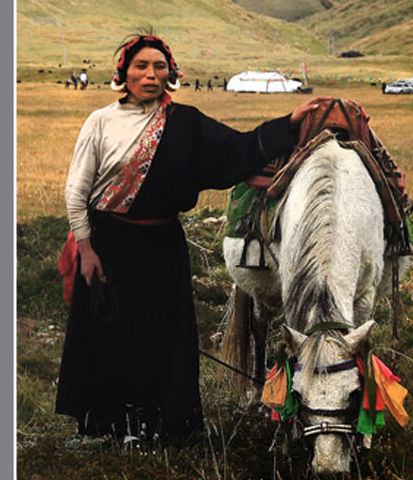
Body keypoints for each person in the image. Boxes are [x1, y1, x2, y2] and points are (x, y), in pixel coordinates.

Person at [55, 33, 317, 441]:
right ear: (123, 73)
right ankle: (113, 423)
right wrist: (86, 249)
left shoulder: (187, 124)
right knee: (112, 334)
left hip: (162, 249)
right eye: (141, 66)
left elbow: (239, 149)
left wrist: (290, 124)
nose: (151, 74)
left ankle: (161, 422)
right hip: (109, 246)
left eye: (159, 67)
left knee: (162, 335)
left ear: (170, 75)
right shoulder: (100, 121)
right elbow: (76, 192)